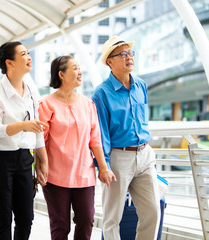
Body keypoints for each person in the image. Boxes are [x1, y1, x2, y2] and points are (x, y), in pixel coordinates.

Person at [37, 55, 116, 240]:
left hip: (84, 176)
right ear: (61, 74)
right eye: (74, 68)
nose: (80, 72)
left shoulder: (88, 104)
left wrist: (103, 168)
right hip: (55, 176)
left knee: (87, 220)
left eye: (79, 67)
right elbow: (39, 140)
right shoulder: (46, 104)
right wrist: (40, 168)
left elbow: (95, 139)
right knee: (60, 226)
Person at [92, 36, 160, 240]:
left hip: (145, 155)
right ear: (110, 62)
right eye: (123, 54)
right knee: (113, 217)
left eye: (130, 53)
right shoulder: (102, 93)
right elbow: (101, 133)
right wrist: (103, 166)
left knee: (153, 212)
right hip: (118, 159)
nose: (129, 57)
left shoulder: (141, 86)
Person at [0, 41, 49, 240]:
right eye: (23, 54)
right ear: (9, 63)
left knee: (26, 217)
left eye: (28, 53)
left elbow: (37, 129)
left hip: (24, 158)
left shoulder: (31, 89)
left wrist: (43, 161)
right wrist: (22, 126)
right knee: (3, 216)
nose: (29, 57)